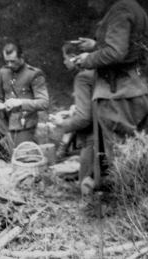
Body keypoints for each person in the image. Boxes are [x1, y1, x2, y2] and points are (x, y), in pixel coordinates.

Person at [72, 0, 148, 188]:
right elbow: (128, 48)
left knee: (117, 154)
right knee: (134, 151)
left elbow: (116, 52)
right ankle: (131, 201)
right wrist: (95, 44)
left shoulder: (119, 10)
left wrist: (87, 59)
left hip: (116, 94)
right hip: (135, 88)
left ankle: (121, 207)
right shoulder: (136, 8)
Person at [50, 43, 95, 195]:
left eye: (65, 58)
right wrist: (72, 111)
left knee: (87, 184)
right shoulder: (95, 71)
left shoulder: (82, 77)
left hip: (92, 139)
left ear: (72, 57)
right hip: (104, 133)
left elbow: (84, 118)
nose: (64, 62)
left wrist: (61, 123)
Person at [0, 43, 49, 148]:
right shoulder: (3, 72)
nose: (10, 65)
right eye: (7, 61)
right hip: (4, 119)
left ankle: (16, 148)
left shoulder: (33, 74)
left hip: (24, 122)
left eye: (13, 61)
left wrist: (20, 102)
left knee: (17, 153)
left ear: (22, 57)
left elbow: (44, 103)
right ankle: (3, 152)